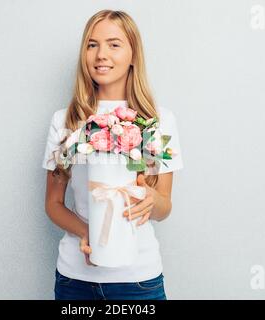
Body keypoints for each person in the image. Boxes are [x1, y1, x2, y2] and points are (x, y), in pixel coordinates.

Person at [42, 9, 183, 300]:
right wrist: (87, 233)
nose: (100, 54)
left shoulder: (156, 120)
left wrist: (153, 201)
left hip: (139, 280)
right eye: (92, 44)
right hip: (75, 280)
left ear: (133, 54)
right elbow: (53, 203)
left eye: (114, 44)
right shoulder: (67, 121)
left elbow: (164, 207)